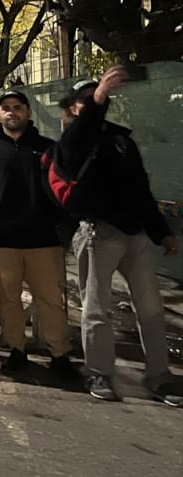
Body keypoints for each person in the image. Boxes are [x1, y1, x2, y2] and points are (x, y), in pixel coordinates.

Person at [59, 66, 181, 406]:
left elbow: (141, 190)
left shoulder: (121, 141)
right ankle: (98, 371)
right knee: (97, 308)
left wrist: (161, 233)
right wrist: (97, 99)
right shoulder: (73, 139)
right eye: (84, 100)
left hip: (135, 234)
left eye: (96, 96)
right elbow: (73, 149)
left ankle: (159, 376)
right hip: (98, 233)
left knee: (151, 309)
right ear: (73, 108)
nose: (93, 102)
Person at [0, 91, 77, 376]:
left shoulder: (47, 148)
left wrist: (59, 224)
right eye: (6, 108)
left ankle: (59, 354)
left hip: (43, 240)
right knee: (8, 299)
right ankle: (16, 350)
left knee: (50, 299)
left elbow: (64, 190)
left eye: (17, 107)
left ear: (28, 112)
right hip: (1, 240)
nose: (12, 112)